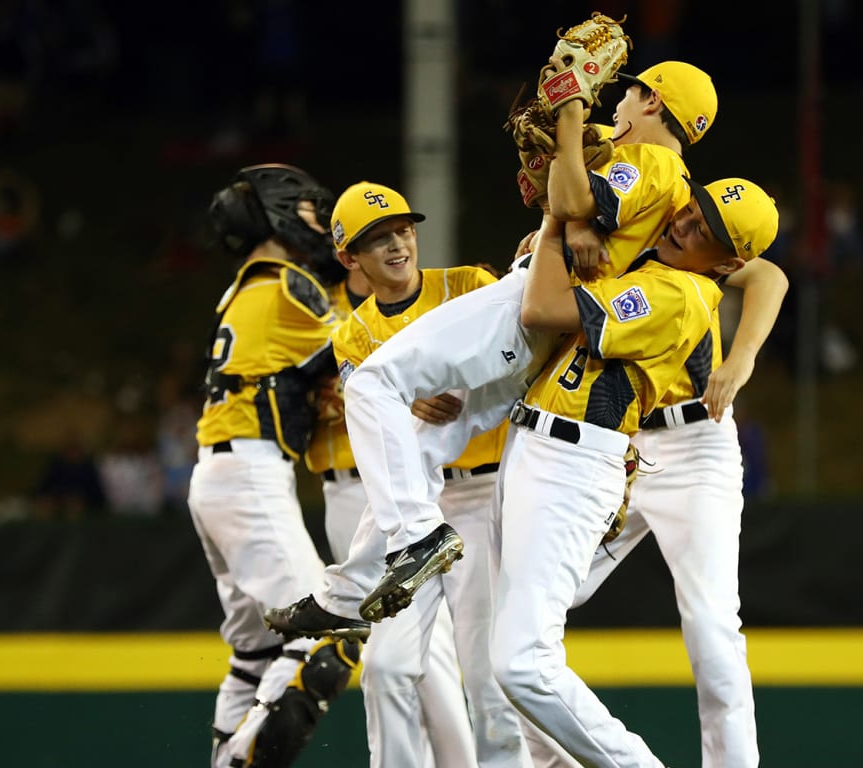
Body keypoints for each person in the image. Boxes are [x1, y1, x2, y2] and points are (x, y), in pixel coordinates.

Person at [266, 60, 728, 630]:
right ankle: (345, 596)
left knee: (372, 382)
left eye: (631, 95)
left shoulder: (653, 162)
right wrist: (564, 142)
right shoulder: (659, 169)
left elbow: (577, 201)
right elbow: (562, 195)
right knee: (424, 440)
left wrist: (571, 111)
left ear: (653, 102)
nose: (619, 104)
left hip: (524, 308)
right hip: (548, 330)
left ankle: (417, 539)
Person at [498, 177, 776, 767]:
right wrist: (565, 226)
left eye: (703, 226)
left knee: (711, 627)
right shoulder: (657, 215)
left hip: (696, 443)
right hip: (614, 445)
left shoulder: (699, 270)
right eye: (693, 210)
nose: (687, 222)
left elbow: (770, 276)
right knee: (533, 603)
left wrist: (743, 357)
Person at [295, 182, 523, 767]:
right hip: (416, 511)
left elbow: (519, 357)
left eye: (402, 229)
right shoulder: (353, 334)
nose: (397, 244)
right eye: (377, 239)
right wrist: (406, 394)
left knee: (486, 675)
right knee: (387, 668)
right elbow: (373, 412)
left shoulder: (469, 284)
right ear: (350, 259)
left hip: (484, 493)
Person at [189, 164, 361, 768]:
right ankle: (242, 760)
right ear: (282, 213)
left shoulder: (245, 286)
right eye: (309, 207)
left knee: (255, 654)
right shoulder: (290, 284)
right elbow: (364, 361)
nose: (320, 217)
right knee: (326, 628)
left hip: (219, 475)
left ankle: (225, 757)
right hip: (249, 475)